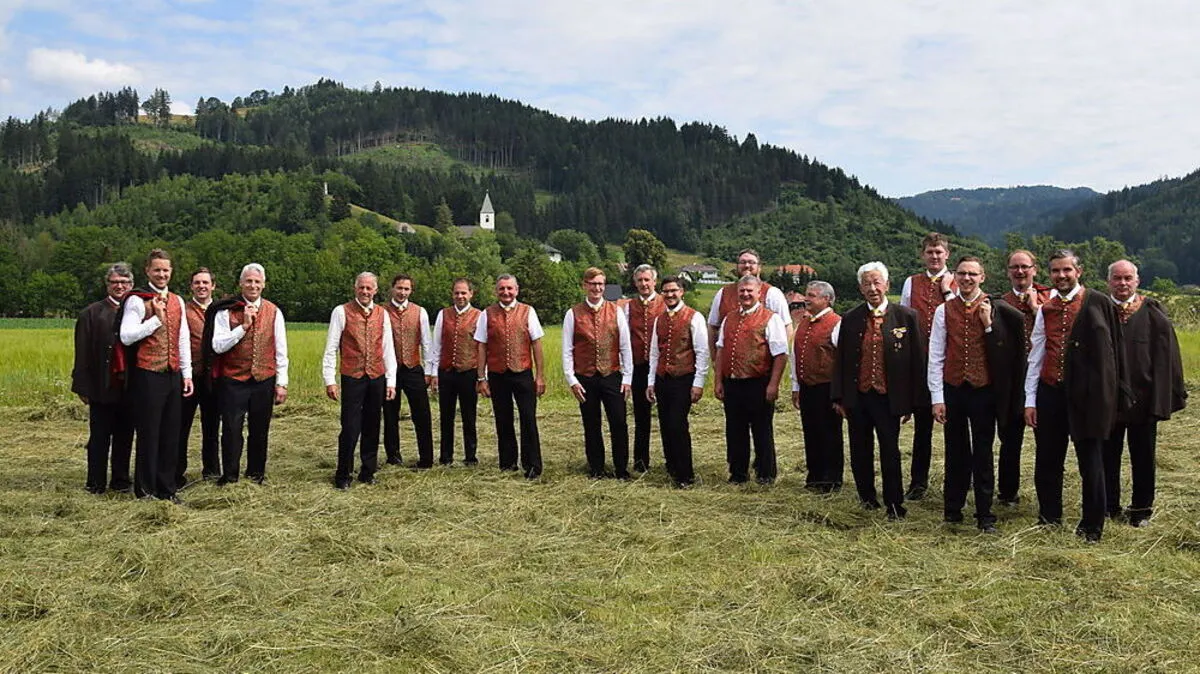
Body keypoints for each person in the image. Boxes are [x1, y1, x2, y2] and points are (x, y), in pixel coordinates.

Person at [1024, 250, 1129, 543]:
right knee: (1047, 459)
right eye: (1056, 271)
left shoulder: (1099, 303)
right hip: (1050, 391)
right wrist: (1030, 399)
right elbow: (1037, 352)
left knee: (1091, 461)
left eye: (1067, 270)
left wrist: (1113, 396)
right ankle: (1049, 517)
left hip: (1088, 396)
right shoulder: (1046, 308)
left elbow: (1116, 354)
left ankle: (1092, 525)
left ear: (1078, 272)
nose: (1061, 276)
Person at [927, 257, 1025, 532]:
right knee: (954, 451)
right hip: (954, 388)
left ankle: (985, 514)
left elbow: (1008, 352)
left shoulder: (998, 309)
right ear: (955, 277)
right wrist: (937, 397)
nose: (967, 278)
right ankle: (953, 509)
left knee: (983, 452)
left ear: (983, 277)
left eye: (972, 274)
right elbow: (935, 355)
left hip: (985, 390)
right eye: (962, 273)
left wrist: (989, 325)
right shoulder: (943, 311)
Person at [832, 262, 927, 520]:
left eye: (877, 282)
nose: (872, 288)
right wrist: (838, 397)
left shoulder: (906, 317)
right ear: (860, 288)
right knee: (860, 450)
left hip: (889, 398)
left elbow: (917, 362)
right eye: (867, 283)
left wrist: (914, 402)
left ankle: (894, 504)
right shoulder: (850, 318)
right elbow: (841, 360)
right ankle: (866, 498)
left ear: (887, 284)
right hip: (858, 397)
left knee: (890, 450)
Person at [1102, 260, 1186, 527]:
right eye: (1117, 278)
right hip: (1108, 401)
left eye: (1128, 278)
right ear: (1109, 282)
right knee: (1107, 456)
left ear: (1137, 281)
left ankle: (1141, 510)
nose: (1123, 283)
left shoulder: (1152, 312)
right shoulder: (1099, 311)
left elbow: (1167, 358)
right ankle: (1109, 506)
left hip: (1143, 398)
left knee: (1143, 456)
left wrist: (1164, 396)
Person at [118, 248, 194, 502]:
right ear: (147, 271)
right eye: (157, 270)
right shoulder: (137, 300)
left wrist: (187, 373)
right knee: (149, 433)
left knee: (171, 433)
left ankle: (167, 488)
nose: (162, 274)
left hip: (173, 373)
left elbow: (183, 338)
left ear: (171, 272)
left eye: (166, 270)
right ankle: (146, 490)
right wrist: (155, 321)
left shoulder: (178, 301)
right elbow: (126, 336)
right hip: (148, 374)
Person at [210, 263, 289, 485]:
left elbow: (281, 350)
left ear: (263, 285)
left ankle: (256, 475)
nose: (253, 285)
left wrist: (282, 382)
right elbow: (217, 345)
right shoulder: (226, 310)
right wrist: (243, 327)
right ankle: (230, 476)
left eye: (257, 281)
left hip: (263, 379)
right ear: (241, 284)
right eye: (249, 281)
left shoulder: (274, 311)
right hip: (233, 379)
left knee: (259, 430)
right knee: (232, 430)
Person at [322, 273, 397, 489]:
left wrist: (390, 381)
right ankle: (343, 474)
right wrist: (330, 379)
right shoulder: (341, 311)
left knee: (373, 425)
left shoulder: (382, 314)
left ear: (375, 290)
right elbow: (331, 348)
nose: (365, 292)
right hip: (352, 377)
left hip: (376, 376)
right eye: (361, 288)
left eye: (369, 288)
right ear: (355, 289)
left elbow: (387, 349)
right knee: (350, 426)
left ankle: (368, 471)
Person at [714, 274, 788, 485]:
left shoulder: (770, 318)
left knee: (762, 430)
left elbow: (781, 354)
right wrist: (718, 381)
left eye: (750, 291)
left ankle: (766, 474)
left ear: (759, 293)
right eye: (742, 291)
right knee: (735, 430)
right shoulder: (729, 318)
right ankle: (738, 474)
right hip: (733, 383)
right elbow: (721, 350)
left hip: (758, 383)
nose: (745, 294)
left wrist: (773, 384)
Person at [898, 232, 956, 501]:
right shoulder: (911, 283)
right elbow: (902, 321)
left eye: (939, 252)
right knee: (922, 428)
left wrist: (946, 289)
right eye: (930, 252)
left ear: (947, 255)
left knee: (955, 427)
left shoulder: (959, 280)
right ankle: (918, 482)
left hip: (952, 360)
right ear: (923, 255)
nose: (934, 256)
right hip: (921, 363)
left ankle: (958, 478)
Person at [563, 267, 634, 478]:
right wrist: (572, 380)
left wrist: (628, 378)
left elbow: (625, 346)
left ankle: (621, 468)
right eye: (593, 284)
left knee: (619, 423)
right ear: (585, 285)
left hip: (612, 376)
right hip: (585, 378)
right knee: (591, 424)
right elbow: (567, 350)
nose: (597, 288)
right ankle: (596, 468)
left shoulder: (616, 311)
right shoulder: (572, 313)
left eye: (601, 284)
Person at [71, 262, 135, 494]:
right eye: (115, 282)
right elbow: (82, 352)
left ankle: (120, 481)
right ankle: (95, 482)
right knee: (99, 438)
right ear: (107, 285)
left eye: (124, 282)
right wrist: (82, 386)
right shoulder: (91, 313)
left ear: (131, 285)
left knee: (125, 437)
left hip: (129, 388)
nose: (119, 286)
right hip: (101, 387)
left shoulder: (139, 311)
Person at [475, 274, 547, 478]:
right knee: (503, 419)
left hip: (523, 373)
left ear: (517, 290)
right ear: (496, 291)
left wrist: (540, 376)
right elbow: (481, 346)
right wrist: (481, 378)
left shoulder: (528, 311)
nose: (506, 292)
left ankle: (532, 465)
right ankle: (507, 463)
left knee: (528, 418)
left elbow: (537, 344)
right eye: (501, 289)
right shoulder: (486, 314)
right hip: (498, 375)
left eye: (509, 288)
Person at [997, 250, 1052, 505]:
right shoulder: (1000, 302)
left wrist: (1035, 309)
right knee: (1009, 441)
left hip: (1043, 378)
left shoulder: (1050, 300)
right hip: (1011, 381)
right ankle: (1008, 493)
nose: (1020, 272)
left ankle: (1047, 496)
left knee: (1047, 441)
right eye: (1014, 267)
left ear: (1034, 269)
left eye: (1025, 267)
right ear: (1008, 271)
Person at [646, 275, 709, 487]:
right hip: (663, 379)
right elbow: (655, 352)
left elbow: (702, 352)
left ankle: (686, 474)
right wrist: (651, 381)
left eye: (674, 290)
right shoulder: (659, 319)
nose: (670, 294)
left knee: (678, 424)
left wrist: (698, 383)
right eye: (666, 291)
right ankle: (671, 467)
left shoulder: (694, 317)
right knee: (665, 424)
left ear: (681, 292)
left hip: (684, 379)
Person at [788, 280, 843, 493]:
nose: (806, 299)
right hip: (807, 387)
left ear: (826, 299)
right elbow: (795, 356)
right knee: (811, 432)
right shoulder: (804, 322)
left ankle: (831, 479)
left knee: (829, 433)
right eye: (806, 295)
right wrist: (795, 386)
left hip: (827, 387)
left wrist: (840, 394)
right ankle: (815, 476)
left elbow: (842, 361)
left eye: (811, 295)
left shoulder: (836, 323)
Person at [382, 274, 434, 469]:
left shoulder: (420, 312)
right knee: (389, 415)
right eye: (399, 288)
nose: (402, 292)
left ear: (411, 291)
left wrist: (429, 370)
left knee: (421, 414)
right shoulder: (382, 311)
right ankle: (393, 456)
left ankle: (426, 458)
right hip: (389, 371)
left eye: (406, 289)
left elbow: (427, 343)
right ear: (392, 289)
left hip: (413, 369)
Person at [429, 278, 482, 466]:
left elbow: (484, 348)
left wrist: (483, 377)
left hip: (469, 373)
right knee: (446, 416)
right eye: (456, 293)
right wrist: (434, 372)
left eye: (463, 293)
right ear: (452, 294)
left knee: (469, 416)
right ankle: (446, 457)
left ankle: (470, 456)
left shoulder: (479, 315)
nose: (460, 296)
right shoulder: (443, 315)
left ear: (471, 294)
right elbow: (436, 345)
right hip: (447, 373)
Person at [177, 267, 221, 486]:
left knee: (212, 426)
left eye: (205, 283)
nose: (202, 286)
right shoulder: (183, 310)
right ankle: (177, 473)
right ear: (191, 287)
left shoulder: (222, 310)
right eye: (197, 283)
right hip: (189, 376)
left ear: (213, 286)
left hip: (214, 377)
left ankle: (212, 471)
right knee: (181, 426)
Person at [707, 248, 793, 354]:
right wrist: (715, 358)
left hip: (762, 365)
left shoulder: (773, 293)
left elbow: (786, 327)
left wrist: (776, 359)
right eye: (743, 262)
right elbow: (712, 327)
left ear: (759, 267)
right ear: (737, 267)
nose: (747, 265)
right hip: (729, 363)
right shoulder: (722, 293)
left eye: (752, 262)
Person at [626, 264, 666, 473]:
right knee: (641, 416)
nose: (644, 284)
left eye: (647, 280)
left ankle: (672, 460)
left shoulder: (665, 303)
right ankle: (641, 462)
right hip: (639, 367)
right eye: (640, 280)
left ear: (654, 281)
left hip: (663, 366)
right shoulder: (628, 307)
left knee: (668, 415)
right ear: (635, 283)